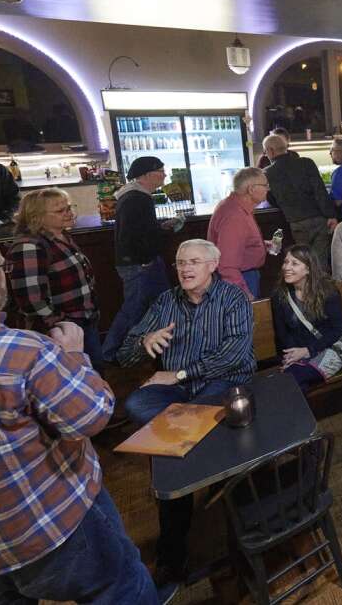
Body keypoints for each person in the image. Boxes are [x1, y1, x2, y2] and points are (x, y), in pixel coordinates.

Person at [0, 227, 156, 604]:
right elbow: (89, 417)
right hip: (49, 531)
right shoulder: (19, 351)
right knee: (122, 589)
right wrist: (75, 355)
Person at [116, 239, 255, 586]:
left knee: (174, 450)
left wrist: (177, 374)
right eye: (179, 262)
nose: (184, 268)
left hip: (221, 382)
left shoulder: (232, 298)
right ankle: (193, 460)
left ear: (212, 265)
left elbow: (235, 355)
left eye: (193, 261)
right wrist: (144, 343)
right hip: (178, 392)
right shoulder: (167, 301)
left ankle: (173, 551)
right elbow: (124, 352)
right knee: (136, 403)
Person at [7, 188, 103, 368]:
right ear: (37, 217)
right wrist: (59, 324)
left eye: (69, 208)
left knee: (94, 371)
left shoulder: (62, 236)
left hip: (83, 320)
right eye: (60, 211)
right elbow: (31, 301)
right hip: (61, 330)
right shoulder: (29, 246)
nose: (69, 213)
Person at [101, 155, 175, 361]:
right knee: (133, 309)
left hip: (138, 262)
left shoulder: (131, 195)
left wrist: (161, 228)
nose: (165, 175)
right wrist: (146, 259)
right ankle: (110, 352)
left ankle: (158, 346)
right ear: (148, 174)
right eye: (161, 171)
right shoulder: (137, 197)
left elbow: (139, 230)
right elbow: (134, 236)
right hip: (140, 264)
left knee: (162, 304)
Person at [272, 245, 342, 391]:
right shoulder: (279, 296)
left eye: (294, 263)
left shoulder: (328, 292)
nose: (287, 267)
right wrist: (291, 356)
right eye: (286, 262)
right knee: (296, 382)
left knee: (292, 379)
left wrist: (308, 350)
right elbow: (282, 334)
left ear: (308, 269)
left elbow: (338, 329)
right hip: (298, 355)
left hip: (328, 349)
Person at [263, 133, 338, 269]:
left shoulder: (267, 173)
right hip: (319, 219)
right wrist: (331, 215)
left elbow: (271, 199)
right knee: (320, 261)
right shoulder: (306, 163)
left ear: (270, 151)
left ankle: (307, 289)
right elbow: (320, 190)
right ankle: (322, 288)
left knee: (303, 262)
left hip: (296, 222)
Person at [207, 167, 270, 298]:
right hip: (242, 278)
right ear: (251, 189)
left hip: (244, 275)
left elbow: (234, 243)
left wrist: (260, 245)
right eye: (265, 185)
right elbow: (227, 265)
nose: (268, 189)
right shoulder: (234, 215)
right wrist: (244, 293)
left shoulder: (236, 206)